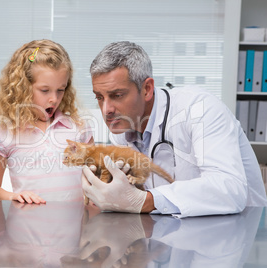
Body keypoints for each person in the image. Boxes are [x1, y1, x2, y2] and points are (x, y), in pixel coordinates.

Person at [81, 41, 267, 217]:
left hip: (238, 233)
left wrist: (144, 200)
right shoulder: (122, 132)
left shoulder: (199, 109)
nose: (106, 110)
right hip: (173, 235)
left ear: (147, 89)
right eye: (99, 97)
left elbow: (230, 189)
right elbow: (139, 195)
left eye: (117, 95)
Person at [0, 39, 93, 203]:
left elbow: (95, 182)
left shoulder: (79, 128)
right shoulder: (5, 132)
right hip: (26, 225)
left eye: (61, 90)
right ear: (23, 88)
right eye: (44, 90)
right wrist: (13, 196)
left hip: (72, 227)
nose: (54, 99)